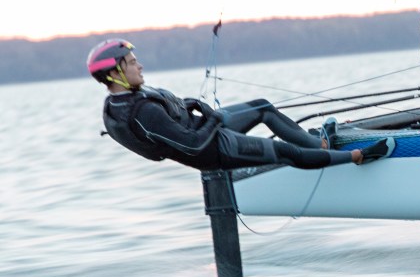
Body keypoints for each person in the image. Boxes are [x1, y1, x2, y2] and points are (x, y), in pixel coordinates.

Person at [87, 39, 394, 171]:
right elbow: (192, 145)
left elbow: (173, 111)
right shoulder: (142, 113)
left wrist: (192, 104)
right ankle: (357, 157)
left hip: (207, 129)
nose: (139, 65)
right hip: (213, 149)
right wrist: (213, 119)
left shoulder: (129, 96)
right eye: (132, 62)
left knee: (262, 107)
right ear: (115, 73)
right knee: (286, 153)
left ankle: (320, 146)